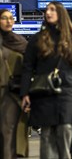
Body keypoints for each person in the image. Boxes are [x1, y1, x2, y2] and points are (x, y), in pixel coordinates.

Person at [20, 1, 72, 159]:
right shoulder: (37, 40)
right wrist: (24, 93)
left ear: (61, 14)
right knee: (47, 134)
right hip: (44, 92)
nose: (48, 12)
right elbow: (27, 67)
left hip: (67, 93)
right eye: (47, 10)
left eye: (52, 10)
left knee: (65, 130)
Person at [0, 9, 28, 159]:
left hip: (12, 95)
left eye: (11, 18)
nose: (9, 21)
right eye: (4, 18)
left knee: (9, 133)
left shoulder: (21, 42)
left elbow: (29, 68)